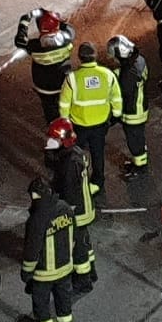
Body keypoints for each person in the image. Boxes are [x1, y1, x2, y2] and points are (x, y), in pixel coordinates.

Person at [19, 176, 77, 322]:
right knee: (64, 304)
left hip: (44, 275)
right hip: (65, 268)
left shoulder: (37, 218)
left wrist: (26, 273)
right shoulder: (65, 208)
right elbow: (74, 236)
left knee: (41, 309)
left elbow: (32, 251)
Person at [57, 41, 122, 195]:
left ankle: (74, 178)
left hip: (79, 125)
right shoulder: (107, 75)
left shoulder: (72, 79)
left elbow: (64, 104)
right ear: (95, 56)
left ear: (80, 57)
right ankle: (97, 182)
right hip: (100, 124)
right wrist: (115, 116)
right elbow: (116, 98)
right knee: (97, 153)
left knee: (74, 154)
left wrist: (66, 123)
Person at [44, 119, 100, 291]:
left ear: (63, 139)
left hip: (77, 210)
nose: (50, 141)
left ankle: (83, 281)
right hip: (84, 206)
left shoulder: (70, 162)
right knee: (84, 241)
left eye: (54, 138)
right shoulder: (75, 153)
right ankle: (91, 272)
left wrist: (63, 209)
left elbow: (67, 188)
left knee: (77, 246)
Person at [14, 8, 75, 123]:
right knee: (67, 105)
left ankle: (53, 124)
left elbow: (20, 41)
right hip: (64, 84)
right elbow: (68, 27)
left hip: (44, 88)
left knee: (49, 110)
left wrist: (25, 20)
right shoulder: (67, 38)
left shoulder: (35, 46)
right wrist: (53, 17)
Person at [107, 34, 150, 177]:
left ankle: (140, 166)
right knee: (139, 138)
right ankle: (140, 158)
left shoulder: (128, 74)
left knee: (134, 142)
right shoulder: (140, 60)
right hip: (141, 107)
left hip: (133, 113)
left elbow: (122, 94)